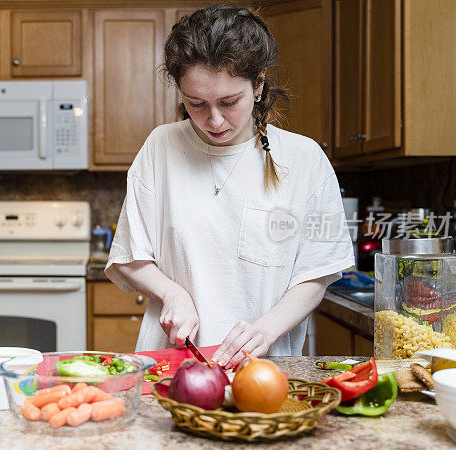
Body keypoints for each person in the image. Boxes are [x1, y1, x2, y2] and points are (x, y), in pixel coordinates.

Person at [104, 5, 354, 369]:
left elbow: (316, 274)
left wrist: (265, 331)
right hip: (170, 366)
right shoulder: (160, 148)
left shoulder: (305, 160)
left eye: (229, 102)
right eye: (196, 104)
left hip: (265, 369)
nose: (214, 120)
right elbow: (130, 257)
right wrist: (171, 293)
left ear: (259, 84)